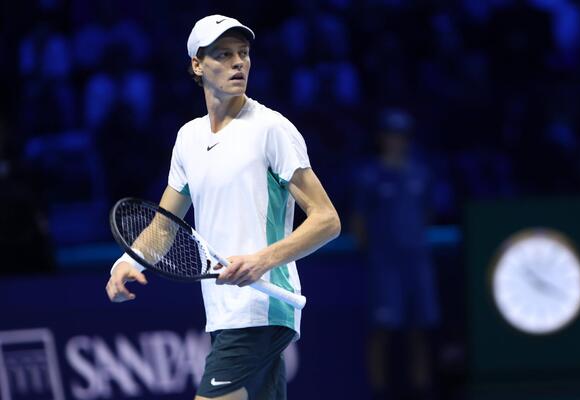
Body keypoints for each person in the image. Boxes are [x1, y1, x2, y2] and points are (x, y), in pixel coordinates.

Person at [104, 15, 341, 400]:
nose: (238, 63)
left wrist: (262, 260)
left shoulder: (271, 129)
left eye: (243, 53)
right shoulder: (188, 138)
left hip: (262, 307)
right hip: (222, 313)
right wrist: (126, 263)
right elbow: (164, 226)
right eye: (224, 55)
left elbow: (327, 220)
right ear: (197, 65)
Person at [352, 109, 439, 400]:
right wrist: (374, 254)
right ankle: (378, 391)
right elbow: (359, 222)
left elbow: (427, 214)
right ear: (382, 138)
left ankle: (421, 389)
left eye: (401, 136)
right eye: (391, 135)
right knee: (381, 330)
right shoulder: (368, 176)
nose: (396, 141)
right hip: (384, 266)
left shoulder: (421, 173)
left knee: (420, 329)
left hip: (417, 263)